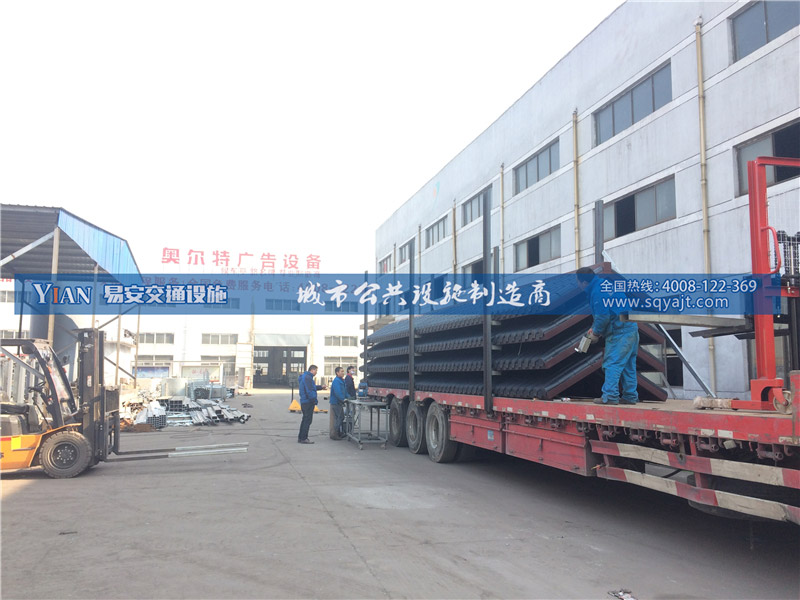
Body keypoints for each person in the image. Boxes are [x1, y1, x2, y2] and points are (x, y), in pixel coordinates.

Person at [576, 267, 639, 405]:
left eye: (578, 282)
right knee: (628, 365)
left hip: (619, 332)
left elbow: (603, 317)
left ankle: (610, 396)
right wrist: (594, 328)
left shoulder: (597, 291)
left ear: (583, 282)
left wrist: (596, 333)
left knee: (612, 363)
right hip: (631, 328)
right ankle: (630, 396)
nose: (578, 285)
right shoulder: (605, 285)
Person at [298, 365, 324, 443]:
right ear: (312, 370)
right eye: (316, 370)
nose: (316, 372)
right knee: (307, 420)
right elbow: (309, 391)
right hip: (308, 402)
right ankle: (304, 438)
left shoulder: (305, 377)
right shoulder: (308, 378)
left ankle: (301, 437)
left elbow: (312, 387)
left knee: (305, 420)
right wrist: (314, 400)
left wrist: (320, 387)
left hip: (304, 401)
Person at [329, 367, 348, 440]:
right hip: (336, 402)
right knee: (340, 418)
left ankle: (338, 433)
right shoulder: (336, 381)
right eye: (341, 371)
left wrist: (349, 397)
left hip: (339, 402)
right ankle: (334, 434)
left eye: (343, 371)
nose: (343, 373)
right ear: (337, 373)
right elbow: (338, 392)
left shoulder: (341, 380)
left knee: (339, 418)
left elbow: (344, 391)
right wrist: (343, 399)